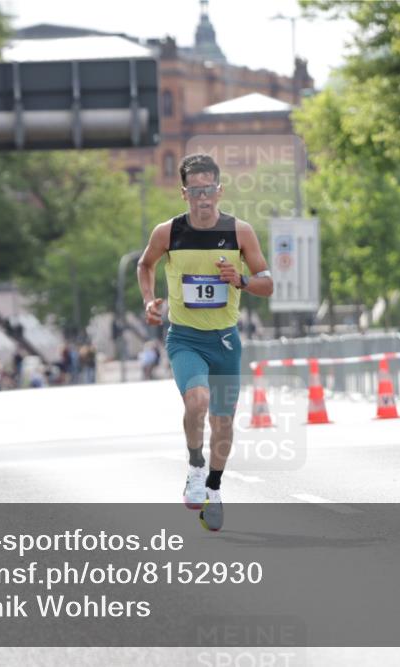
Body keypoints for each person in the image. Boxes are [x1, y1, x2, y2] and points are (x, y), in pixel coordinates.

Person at [136, 153, 274, 531]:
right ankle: (196, 467)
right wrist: (149, 301)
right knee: (197, 401)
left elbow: (267, 283)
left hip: (226, 340)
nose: (203, 198)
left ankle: (213, 488)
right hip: (185, 338)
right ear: (184, 193)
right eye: (195, 190)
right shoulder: (167, 232)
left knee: (224, 423)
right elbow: (144, 265)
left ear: (219, 190)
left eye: (209, 189)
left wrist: (240, 280)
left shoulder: (240, 232)